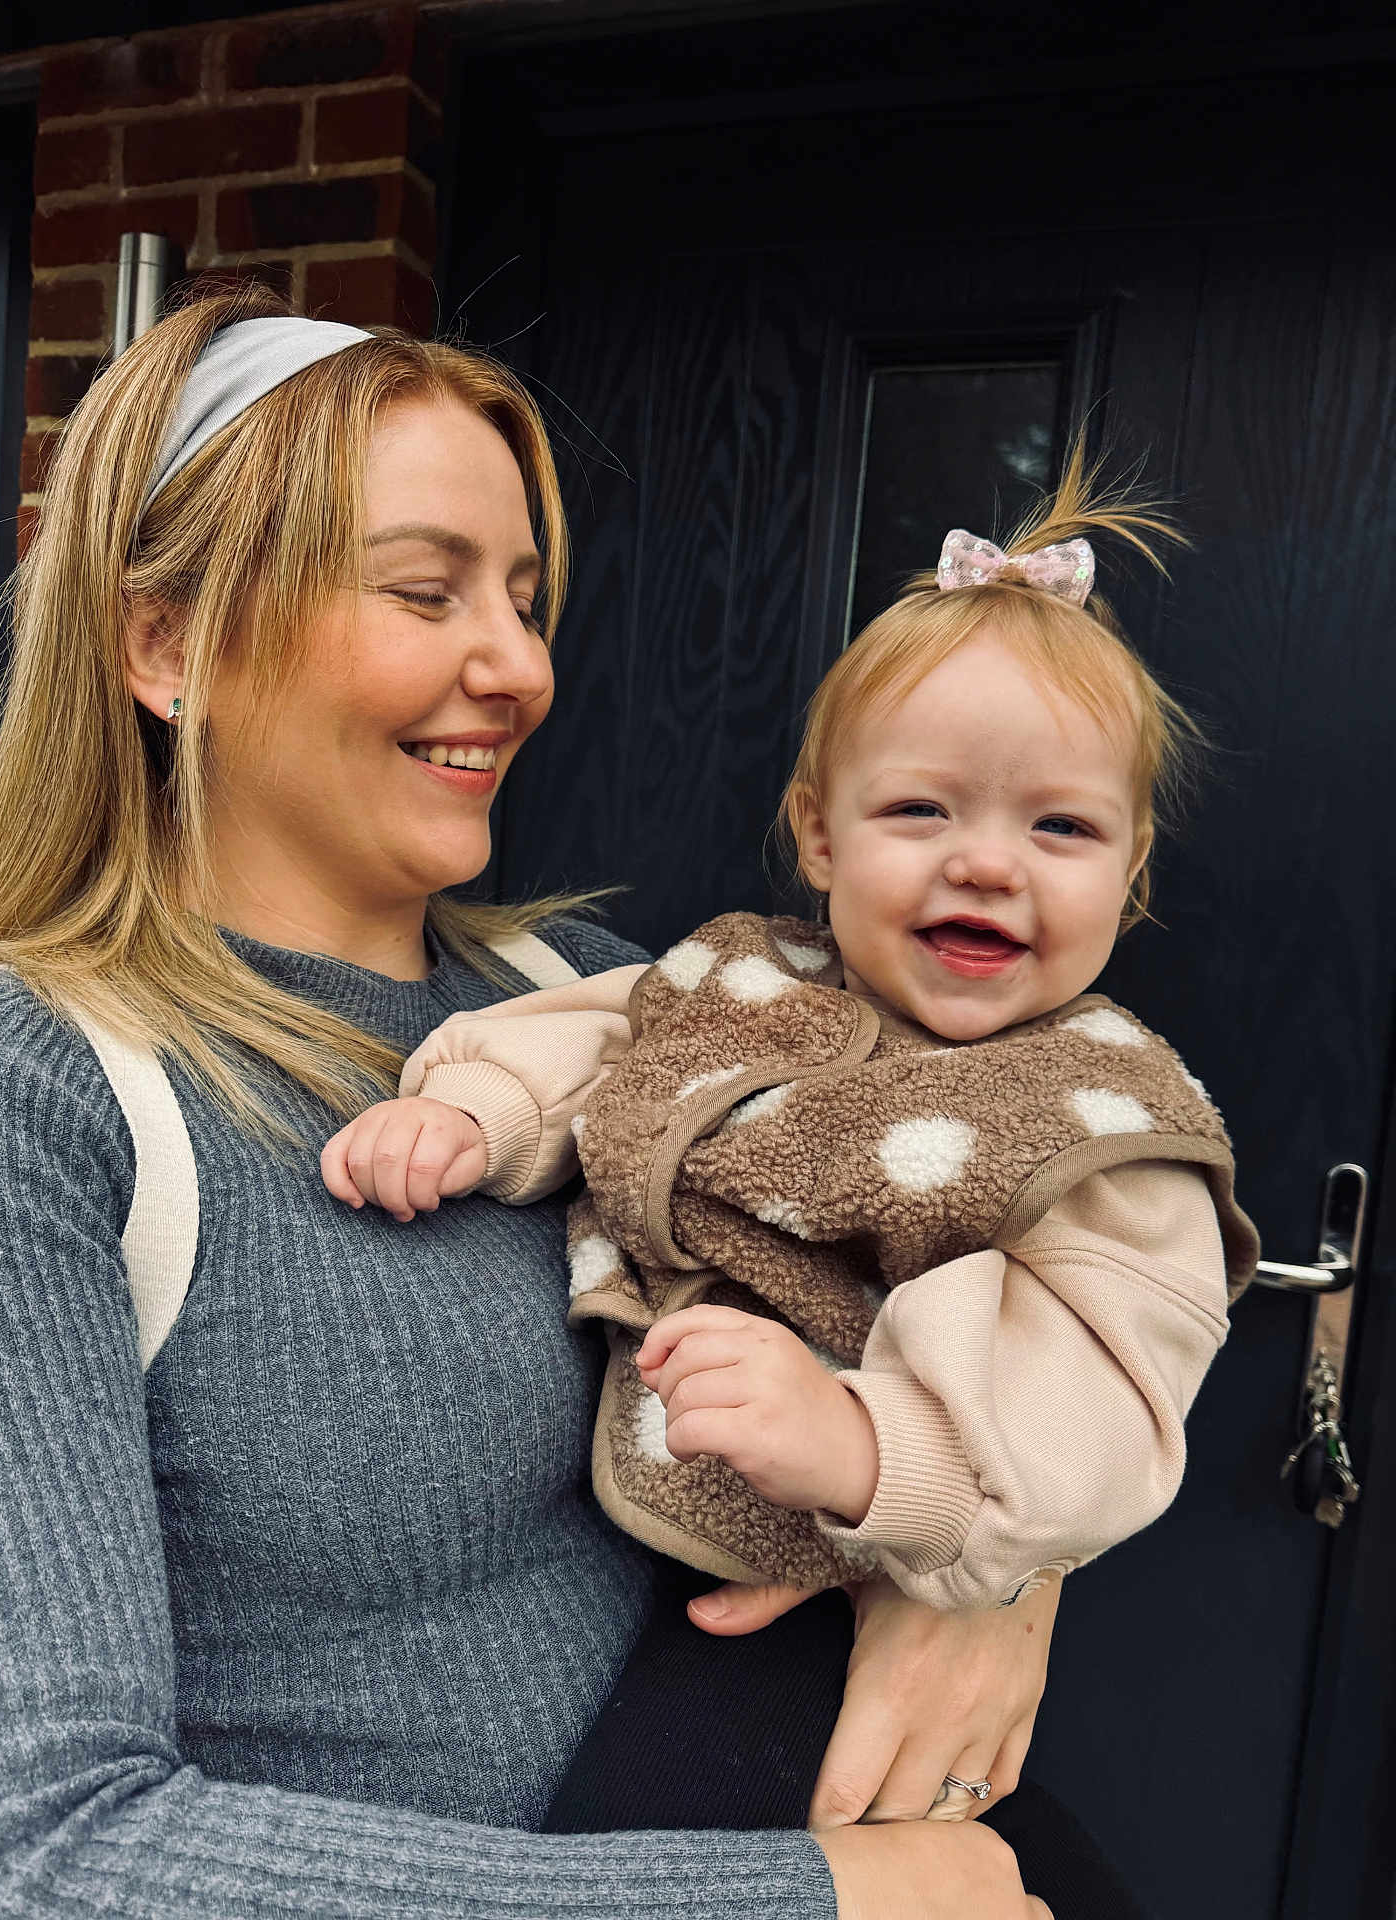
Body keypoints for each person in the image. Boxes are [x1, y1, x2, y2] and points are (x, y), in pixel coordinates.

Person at [0, 286, 1057, 1919]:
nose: (519, 667)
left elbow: (975, 1262)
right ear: (167, 643)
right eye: (426, 591)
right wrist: (817, 1904)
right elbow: (36, 1852)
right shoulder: (29, 1087)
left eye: (526, 601)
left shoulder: (602, 990)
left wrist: (995, 1579)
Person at [321, 460, 1255, 1857]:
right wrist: (472, 1115)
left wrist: (865, 1445)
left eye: (1059, 826)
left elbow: (1102, 1408)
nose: (987, 865)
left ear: (1129, 873)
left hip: (823, 1599)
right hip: (638, 1541)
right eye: (922, 811)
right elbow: (598, 1040)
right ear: (820, 834)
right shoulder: (744, 975)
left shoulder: (1105, 1123)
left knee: (664, 1837)